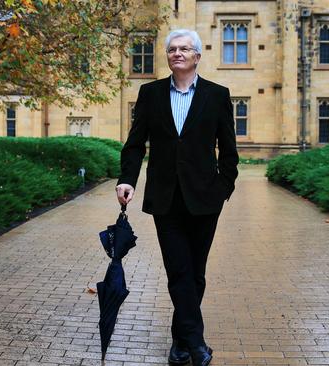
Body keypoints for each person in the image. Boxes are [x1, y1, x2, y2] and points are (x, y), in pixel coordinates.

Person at [115, 29, 239, 366]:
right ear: (167, 57)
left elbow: (229, 151)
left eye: (184, 48)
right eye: (172, 49)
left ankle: (179, 342)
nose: (177, 53)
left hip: (205, 200)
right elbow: (135, 144)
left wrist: (223, 188)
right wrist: (127, 180)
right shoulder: (150, 93)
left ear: (197, 56)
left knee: (195, 272)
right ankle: (197, 345)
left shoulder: (217, 95)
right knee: (178, 270)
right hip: (165, 198)